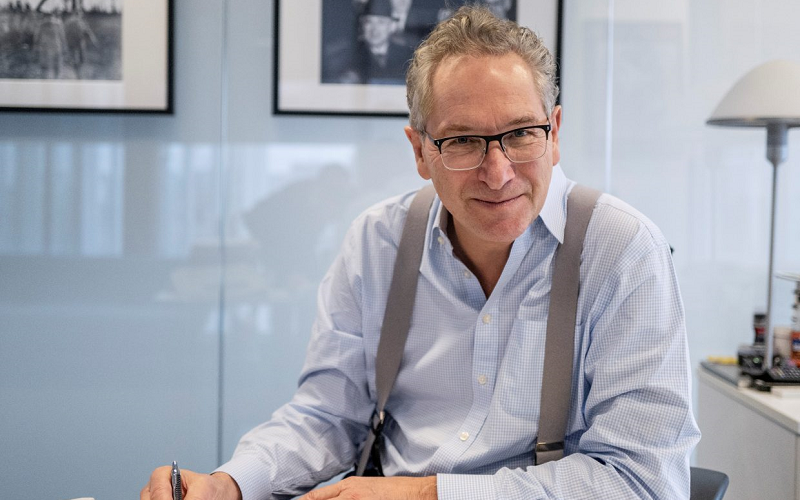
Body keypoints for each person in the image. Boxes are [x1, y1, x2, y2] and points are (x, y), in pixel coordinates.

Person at [142, 6, 700, 500]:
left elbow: (644, 481)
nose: (499, 172)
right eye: (462, 141)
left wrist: (424, 494)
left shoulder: (624, 251)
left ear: (554, 133)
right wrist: (232, 483)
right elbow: (327, 416)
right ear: (420, 152)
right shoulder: (378, 242)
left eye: (522, 134)